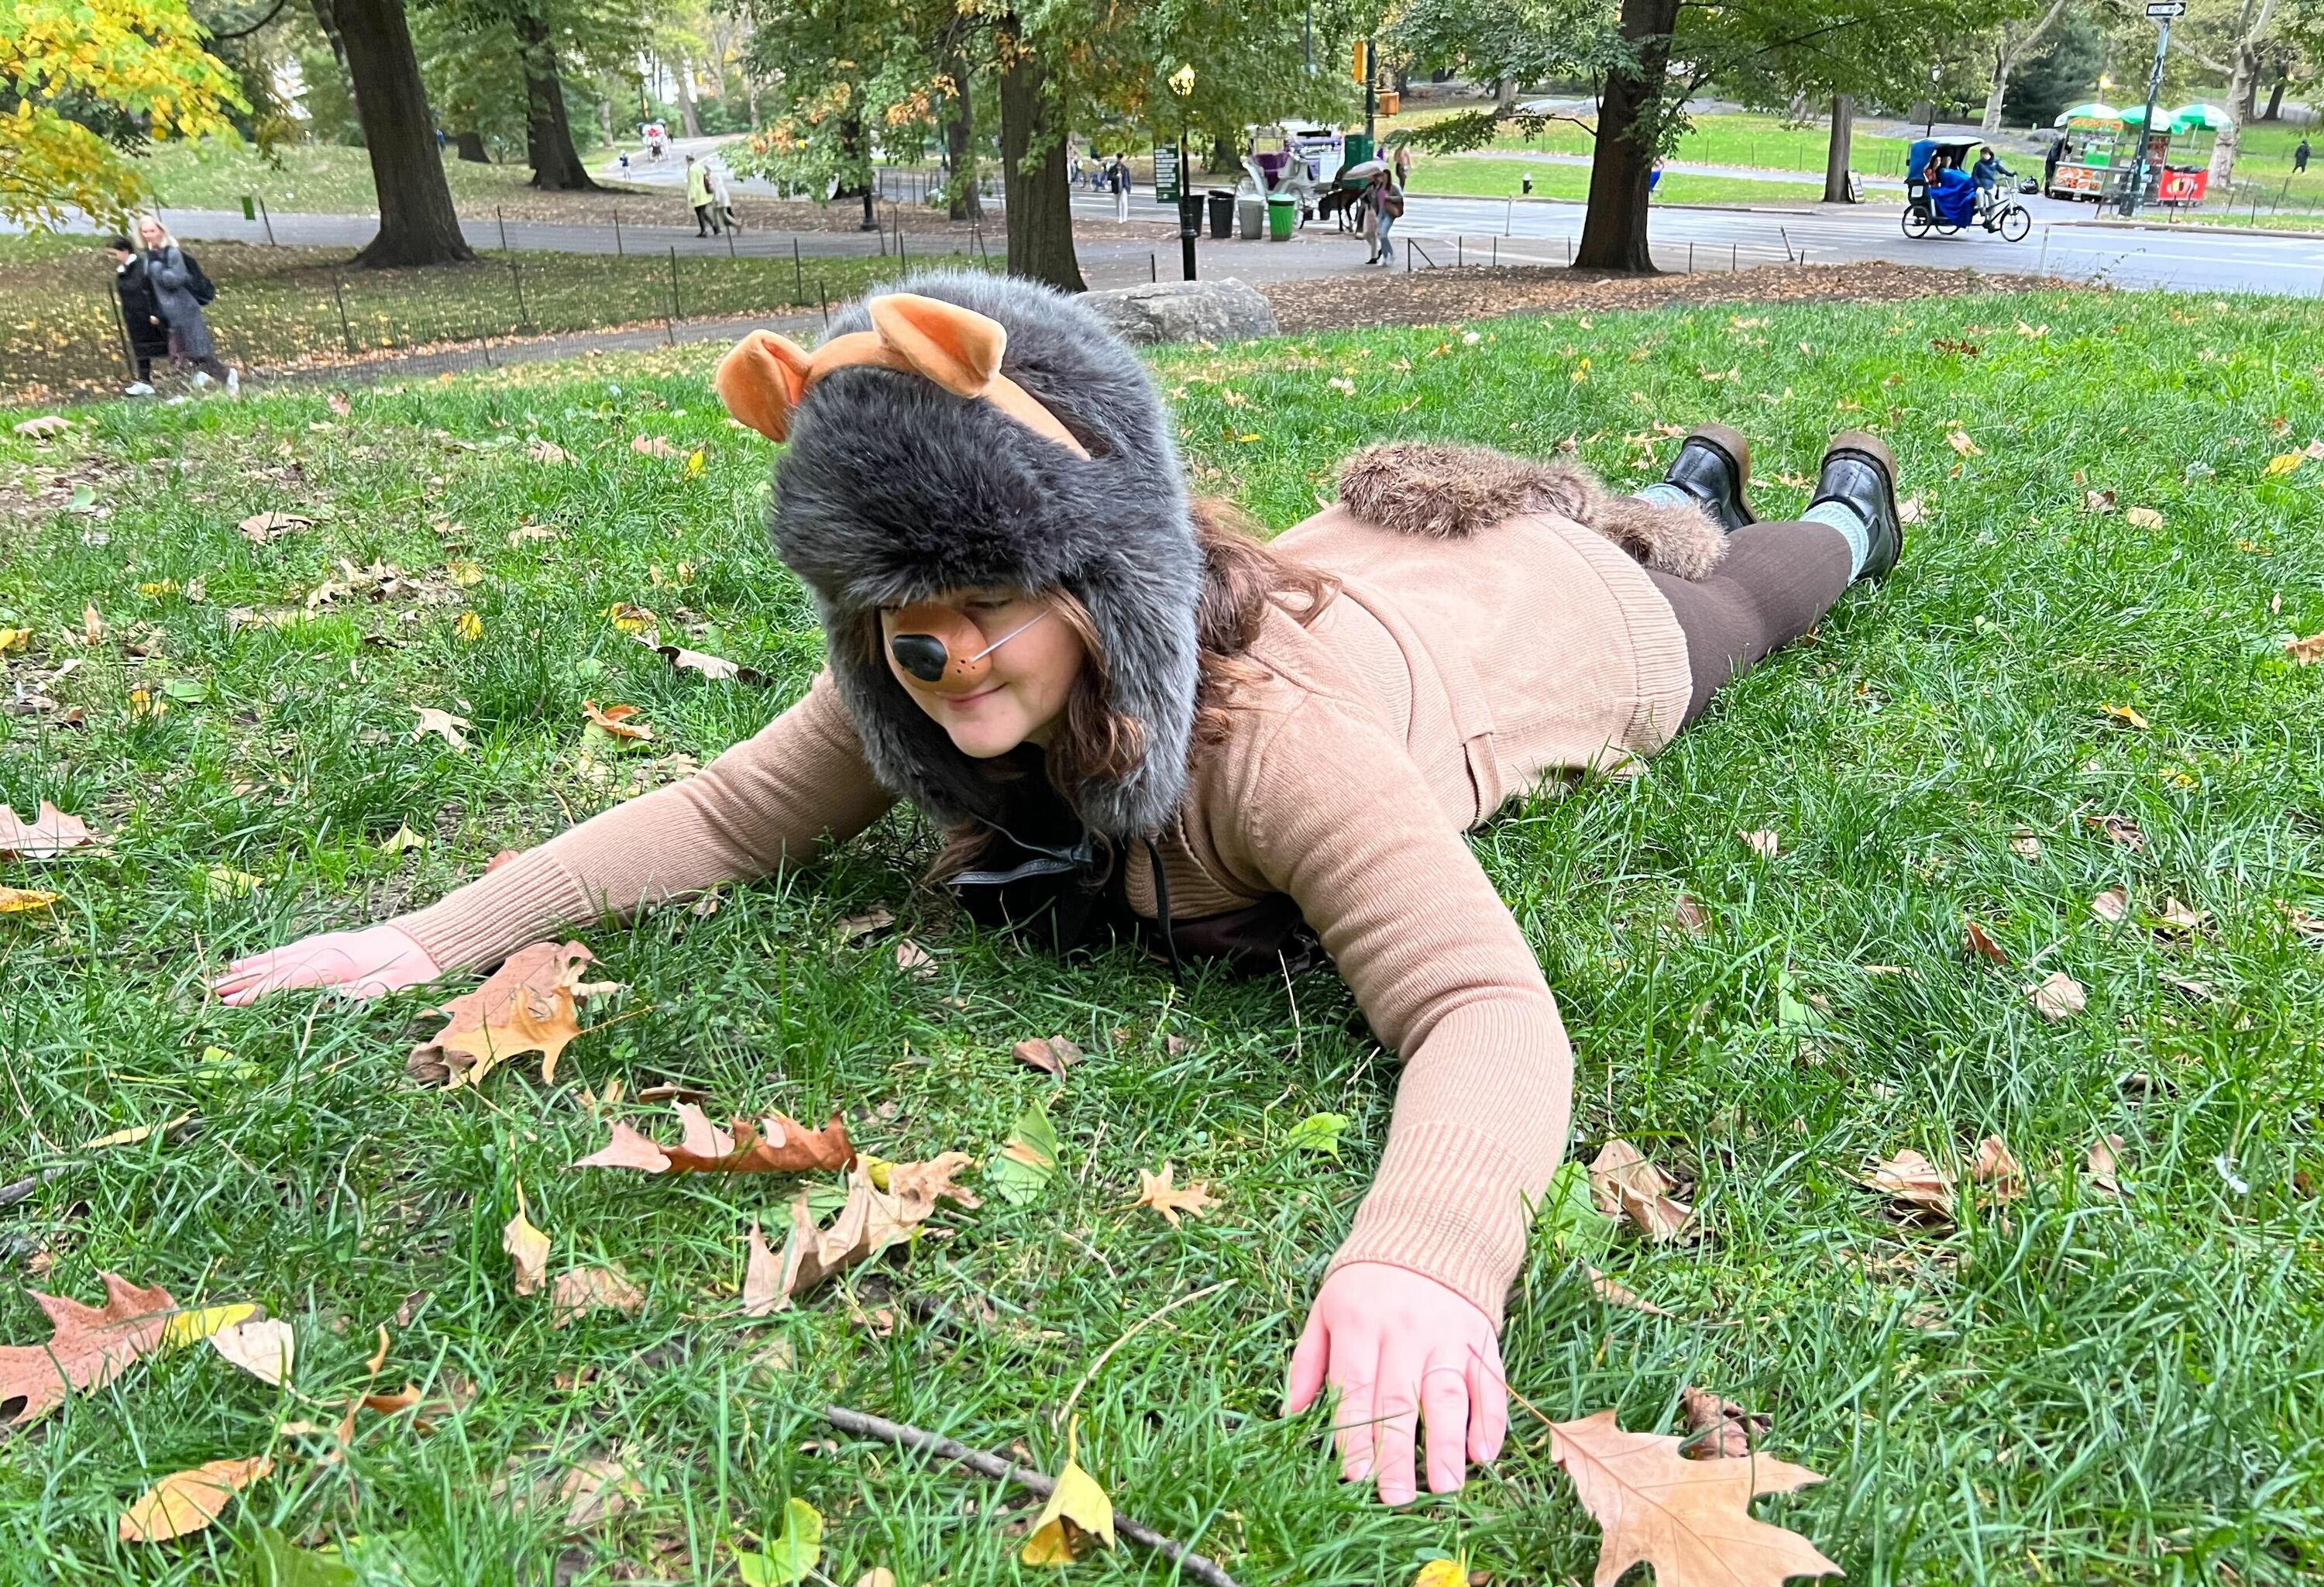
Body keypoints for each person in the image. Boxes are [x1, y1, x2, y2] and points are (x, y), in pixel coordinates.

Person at [213, 277, 1906, 1506]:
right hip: (1363, 552)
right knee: (1633, 517)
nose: (937, 651)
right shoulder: (931, 670)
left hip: (1526, 632)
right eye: (896, 614)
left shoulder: (1277, 749)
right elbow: (730, 813)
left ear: (1101, 574)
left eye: (979, 596)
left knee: (1724, 602)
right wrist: (434, 937)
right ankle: (1682, 479)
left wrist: (1428, 1258)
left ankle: (1834, 514)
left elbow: (1480, 1004)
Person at [136, 217, 235, 396]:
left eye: (152, 231)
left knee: (192, 351)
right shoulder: (148, 257)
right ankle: (216, 379)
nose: (149, 235)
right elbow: (149, 287)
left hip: (184, 310)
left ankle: (200, 386)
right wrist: (154, 311)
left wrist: (157, 267)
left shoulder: (171, 253)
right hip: (167, 312)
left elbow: (176, 278)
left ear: (160, 231)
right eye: (145, 232)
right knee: (188, 353)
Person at [108, 237, 170, 395]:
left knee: (169, 344)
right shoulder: (123, 271)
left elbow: (154, 290)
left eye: (113, 253)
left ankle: (194, 369)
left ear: (124, 251)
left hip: (151, 316)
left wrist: (155, 312)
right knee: (140, 349)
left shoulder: (143, 267)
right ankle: (144, 380)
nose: (111, 257)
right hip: (135, 318)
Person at [1367, 172, 1402, 265]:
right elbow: (1373, 199)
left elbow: (1400, 198)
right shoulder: (1378, 187)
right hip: (1380, 212)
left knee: (1383, 234)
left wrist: (1389, 198)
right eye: (1381, 177)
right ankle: (1386, 256)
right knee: (1380, 234)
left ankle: (1392, 253)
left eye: (1384, 177)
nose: (1382, 179)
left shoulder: (1392, 187)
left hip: (1389, 212)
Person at [685, 153, 718, 236]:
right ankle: (715, 227)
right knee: (702, 212)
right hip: (705, 193)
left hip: (698, 194)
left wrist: (692, 196)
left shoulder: (691, 170)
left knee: (699, 212)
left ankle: (704, 231)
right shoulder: (700, 167)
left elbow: (692, 184)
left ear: (688, 160)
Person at [706, 152, 739, 232]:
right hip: (720, 197)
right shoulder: (713, 176)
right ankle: (720, 228)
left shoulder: (713, 177)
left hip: (720, 198)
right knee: (720, 214)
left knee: (721, 214)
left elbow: (717, 188)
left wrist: (716, 199)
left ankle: (735, 225)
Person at [1110, 153, 1131, 221]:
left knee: (1124, 202)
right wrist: (1116, 177)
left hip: (1124, 187)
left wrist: (1129, 188)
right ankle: (1120, 217)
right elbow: (1110, 177)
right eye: (1119, 159)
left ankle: (1125, 218)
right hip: (1116, 188)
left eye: (1121, 159)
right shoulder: (1113, 168)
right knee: (1118, 203)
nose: (1120, 160)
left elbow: (1128, 179)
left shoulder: (1125, 169)